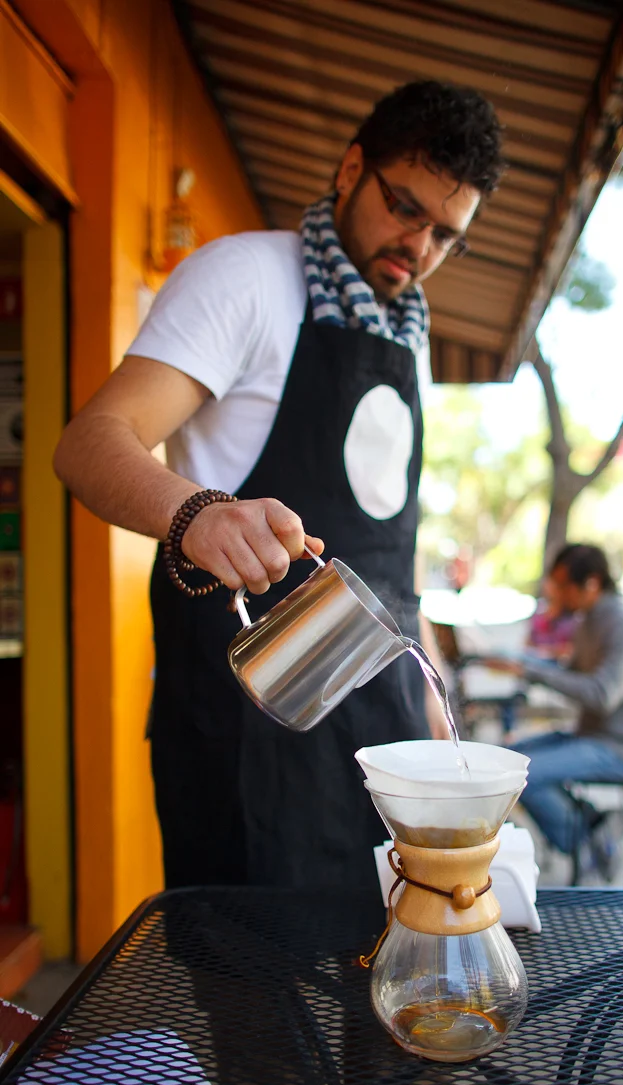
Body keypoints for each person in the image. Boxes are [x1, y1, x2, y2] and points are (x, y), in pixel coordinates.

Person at [54, 81, 505, 893]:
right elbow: (89, 445)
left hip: (382, 719)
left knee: (396, 971)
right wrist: (197, 513)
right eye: (406, 208)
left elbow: (388, 554)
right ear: (351, 168)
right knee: (254, 997)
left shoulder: (408, 331)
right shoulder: (245, 279)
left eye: (447, 234)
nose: (422, 246)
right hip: (249, 724)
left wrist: (433, 700)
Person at [488, 544, 623, 877]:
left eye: (563, 584)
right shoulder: (589, 621)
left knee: (520, 777)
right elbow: (569, 672)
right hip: (590, 736)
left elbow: (601, 694)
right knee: (505, 759)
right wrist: (519, 661)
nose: (555, 592)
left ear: (591, 584)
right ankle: (594, 822)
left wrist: (530, 671)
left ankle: (591, 841)